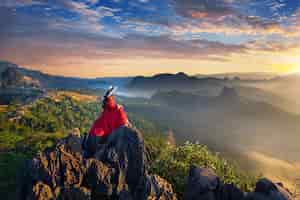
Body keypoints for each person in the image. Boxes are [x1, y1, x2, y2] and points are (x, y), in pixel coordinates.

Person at [85, 86, 130, 156]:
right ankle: (89, 148)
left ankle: (91, 149)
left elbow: (123, 127)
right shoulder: (107, 111)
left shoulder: (118, 111)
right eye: (105, 101)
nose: (104, 104)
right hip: (108, 135)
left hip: (114, 137)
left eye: (106, 101)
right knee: (95, 130)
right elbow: (100, 122)